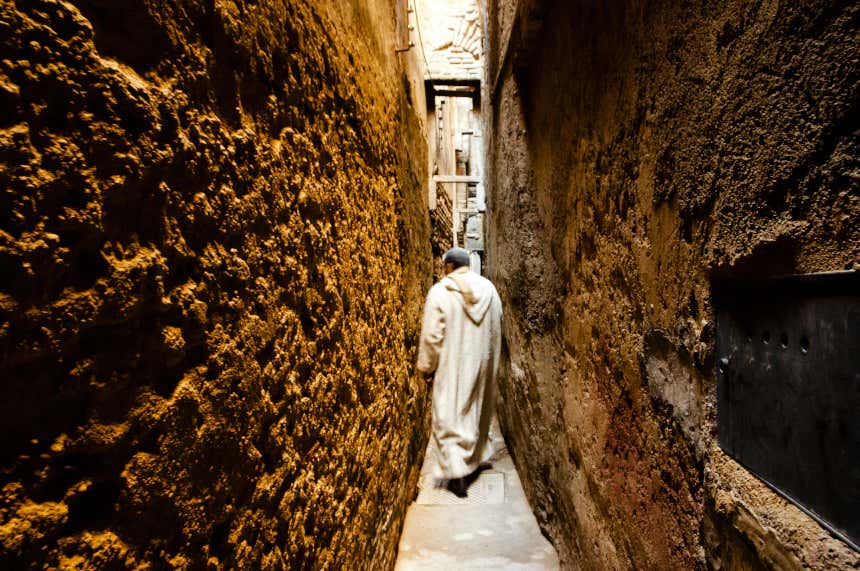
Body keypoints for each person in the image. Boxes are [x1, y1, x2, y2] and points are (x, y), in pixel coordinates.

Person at [417, 247, 503, 497]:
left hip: (452, 367)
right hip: (483, 366)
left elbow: (432, 335)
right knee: (477, 414)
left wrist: (426, 366)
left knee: (449, 416)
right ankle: (474, 460)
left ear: (449, 266)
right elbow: (498, 324)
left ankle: (456, 471)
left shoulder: (440, 292)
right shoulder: (489, 290)